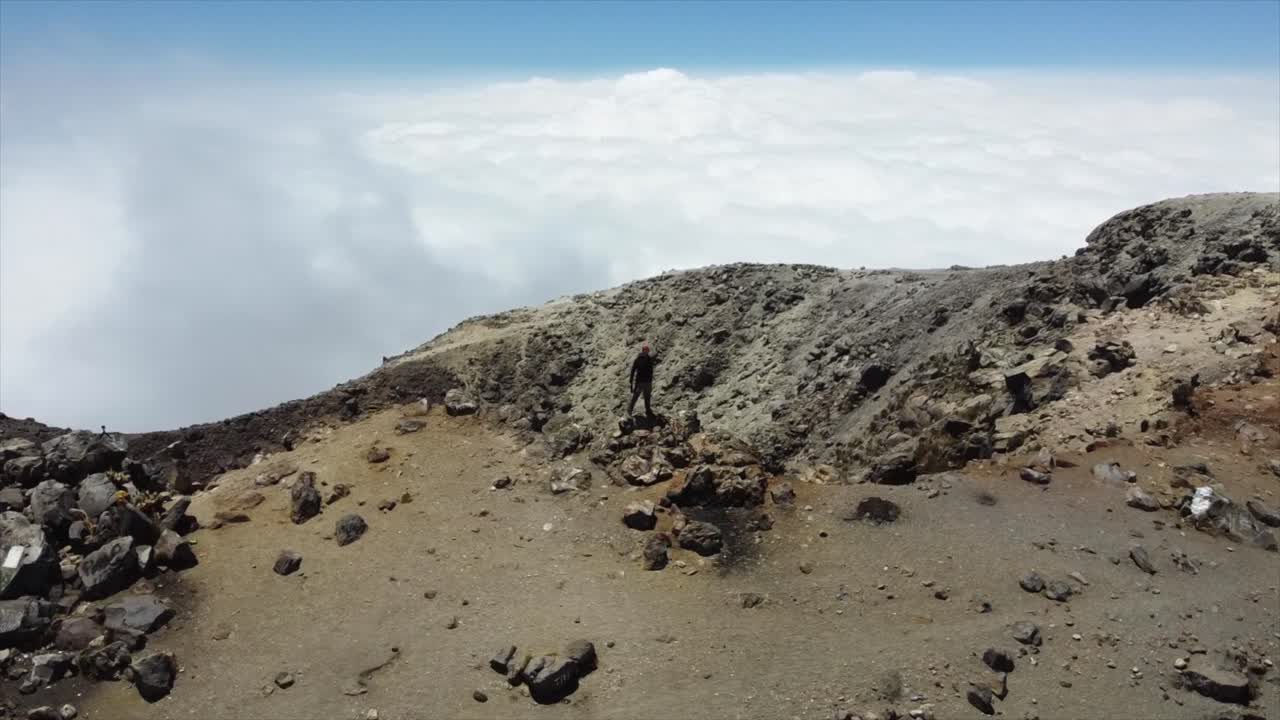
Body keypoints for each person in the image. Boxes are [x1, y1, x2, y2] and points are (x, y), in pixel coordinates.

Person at [628, 344, 657, 416]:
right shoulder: (649, 358)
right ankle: (648, 411)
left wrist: (631, 382)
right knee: (647, 397)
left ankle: (629, 411)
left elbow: (633, 371)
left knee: (635, 397)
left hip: (639, 382)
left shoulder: (637, 360)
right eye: (648, 350)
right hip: (647, 382)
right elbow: (656, 354)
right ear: (646, 350)